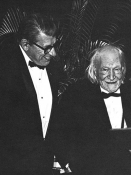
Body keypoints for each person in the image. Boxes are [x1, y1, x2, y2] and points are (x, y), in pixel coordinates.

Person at [58, 44, 131, 175]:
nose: (111, 76)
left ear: (123, 69)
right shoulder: (76, 94)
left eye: (116, 69)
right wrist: (68, 165)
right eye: (105, 69)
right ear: (95, 70)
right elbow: (58, 133)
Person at [0, 13, 63, 175]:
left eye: (54, 45)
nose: (53, 53)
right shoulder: (5, 69)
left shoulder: (54, 69)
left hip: (43, 163)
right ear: (25, 44)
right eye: (47, 48)